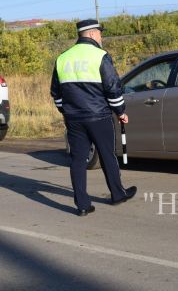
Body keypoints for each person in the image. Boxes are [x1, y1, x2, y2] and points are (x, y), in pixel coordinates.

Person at [51, 19, 137, 216]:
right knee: (107, 155)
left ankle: (82, 205)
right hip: (99, 116)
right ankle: (117, 194)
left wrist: (66, 111)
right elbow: (113, 88)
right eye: (100, 33)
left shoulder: (62, 58)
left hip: (74, 119)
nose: (101, 37)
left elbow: (55, 93)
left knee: (78, 160)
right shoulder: (100, 56)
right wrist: (120, 111)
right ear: (91, 34)